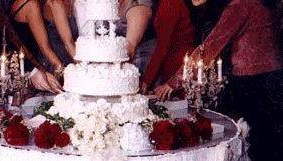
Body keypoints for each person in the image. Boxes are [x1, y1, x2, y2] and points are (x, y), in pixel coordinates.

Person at [164, 0, 283, 160]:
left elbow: (210, 47)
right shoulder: (261, 3)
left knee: (256, 145)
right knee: (269, 142)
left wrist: (173, 83)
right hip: (273, 80)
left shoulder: (241, 5)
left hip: (254, 84)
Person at [73, 0, 157, 77]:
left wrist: (104, 73)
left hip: (138, 66)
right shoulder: (114, 3)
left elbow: (130, 48)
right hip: (116, 63)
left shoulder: (139, 8)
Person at [140, 0, 195, 101]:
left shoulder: (170, 3)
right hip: (177, 65)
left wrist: (146, 81)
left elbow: (162, 47)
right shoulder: (167, 3)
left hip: (178, 67)